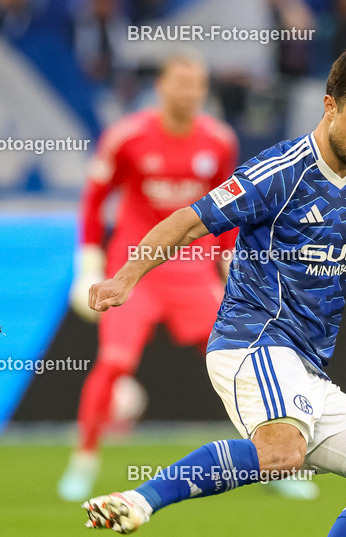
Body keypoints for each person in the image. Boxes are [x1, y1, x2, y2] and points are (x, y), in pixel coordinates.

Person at [81, 48, 346, 537]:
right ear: (329, 106)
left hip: (308, 366)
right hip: (254, 339)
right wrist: (124, 277)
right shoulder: (281, 173)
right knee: (281, 456)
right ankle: (141, 501)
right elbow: (189, 220)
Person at [59, 54, 238, 501]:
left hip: (193, 269)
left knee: (236, 363)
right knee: (115, 363)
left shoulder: (218, 141)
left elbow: (228, 205)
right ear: (160, 87)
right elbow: (95, 198)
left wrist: (228, 260)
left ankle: (275, 458)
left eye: (197, 84)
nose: (189, 92)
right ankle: (84, 459)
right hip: (135, 268)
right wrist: (88, 261)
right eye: (181, 83)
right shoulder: (127, 137)